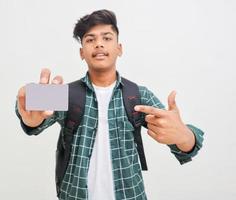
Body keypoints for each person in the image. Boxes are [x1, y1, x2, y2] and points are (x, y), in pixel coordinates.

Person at [15, 9, 204, 200]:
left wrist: (184, 136)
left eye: (106, 38)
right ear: (82, 52)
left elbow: (184, 140)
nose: (98, 44)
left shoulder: (137, 95)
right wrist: (28, 111)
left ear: (119, 48)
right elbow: (31, 112)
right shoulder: (66, 94)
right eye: (90, 39)